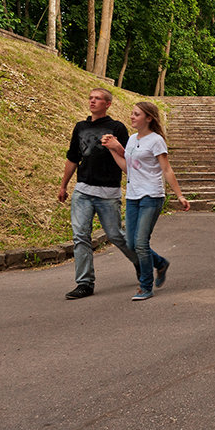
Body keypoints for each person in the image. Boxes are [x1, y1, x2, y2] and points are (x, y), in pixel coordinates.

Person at [101, 101, 190, 301]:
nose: (132, 117)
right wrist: (112, 149)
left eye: (136, 114)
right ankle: (160, 263)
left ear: (148, 118)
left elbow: (166, 169)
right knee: (132, 243)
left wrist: (179, 195)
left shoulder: (156, 140)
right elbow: (128, 168)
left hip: (152, 195)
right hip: (133, 196)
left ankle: (145, 286)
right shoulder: (132, 140)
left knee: (141, 243)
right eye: (132, 113)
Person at [58, 88, 137, 300]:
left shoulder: (117, 127)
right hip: (82, 190)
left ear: (107, 104)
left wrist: (117, 145)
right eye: (91, 98)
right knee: (80, 236)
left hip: (108, 191)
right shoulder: (80, 127)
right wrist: (63, 185)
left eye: (98, 99)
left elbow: (129, 158)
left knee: (115, 235)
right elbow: (73, 158)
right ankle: (84, 283)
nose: (93, 102)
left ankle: (142, 263)